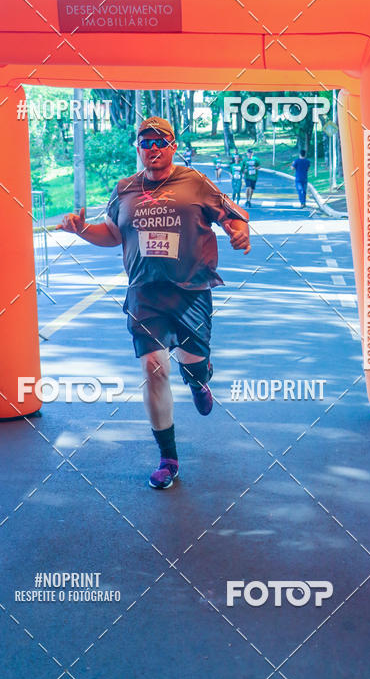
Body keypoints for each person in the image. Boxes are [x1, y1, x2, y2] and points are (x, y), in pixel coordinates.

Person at [58, 117, 251, 490]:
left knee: (192, 365)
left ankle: (198, 380)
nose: (153, 148)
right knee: (153, 366)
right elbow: (114, 233)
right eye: (145, 142)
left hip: (191, 290)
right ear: (138, 148)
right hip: (145, 293)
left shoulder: (195, 182)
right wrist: (81, 229)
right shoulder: (125, 188)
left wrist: (240, 233)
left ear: (173, 145)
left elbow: (234, 217)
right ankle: (168, 457)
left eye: (160, 141)